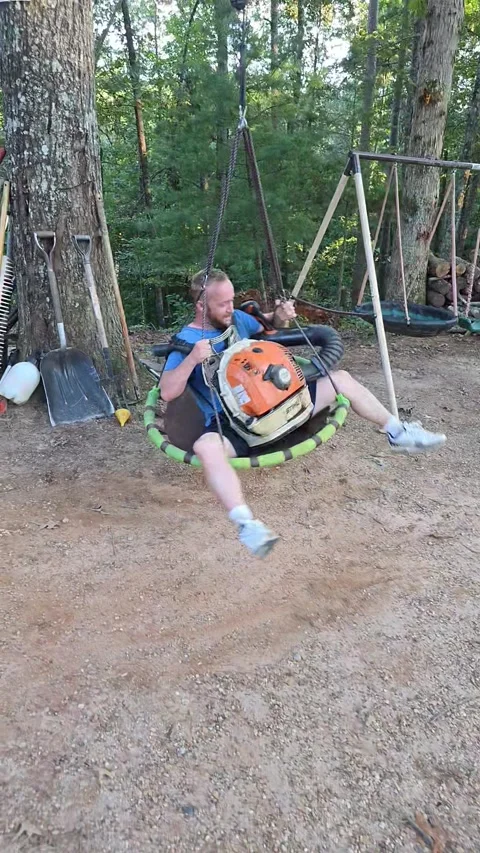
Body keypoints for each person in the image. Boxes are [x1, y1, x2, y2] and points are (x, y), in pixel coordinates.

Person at [160, 269, 446, 558]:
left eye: (232, 300)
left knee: (341, 379)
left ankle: (398, 432)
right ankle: (247, 524)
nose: (230, 308)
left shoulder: (236, 320)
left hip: (285, 403)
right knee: (205, 447)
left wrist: (281, 316)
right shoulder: (185, 342)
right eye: (222, 303)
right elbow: (168, 392)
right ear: (200, 305)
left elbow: (268, 325)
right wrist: (193, 359)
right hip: (237, 425)